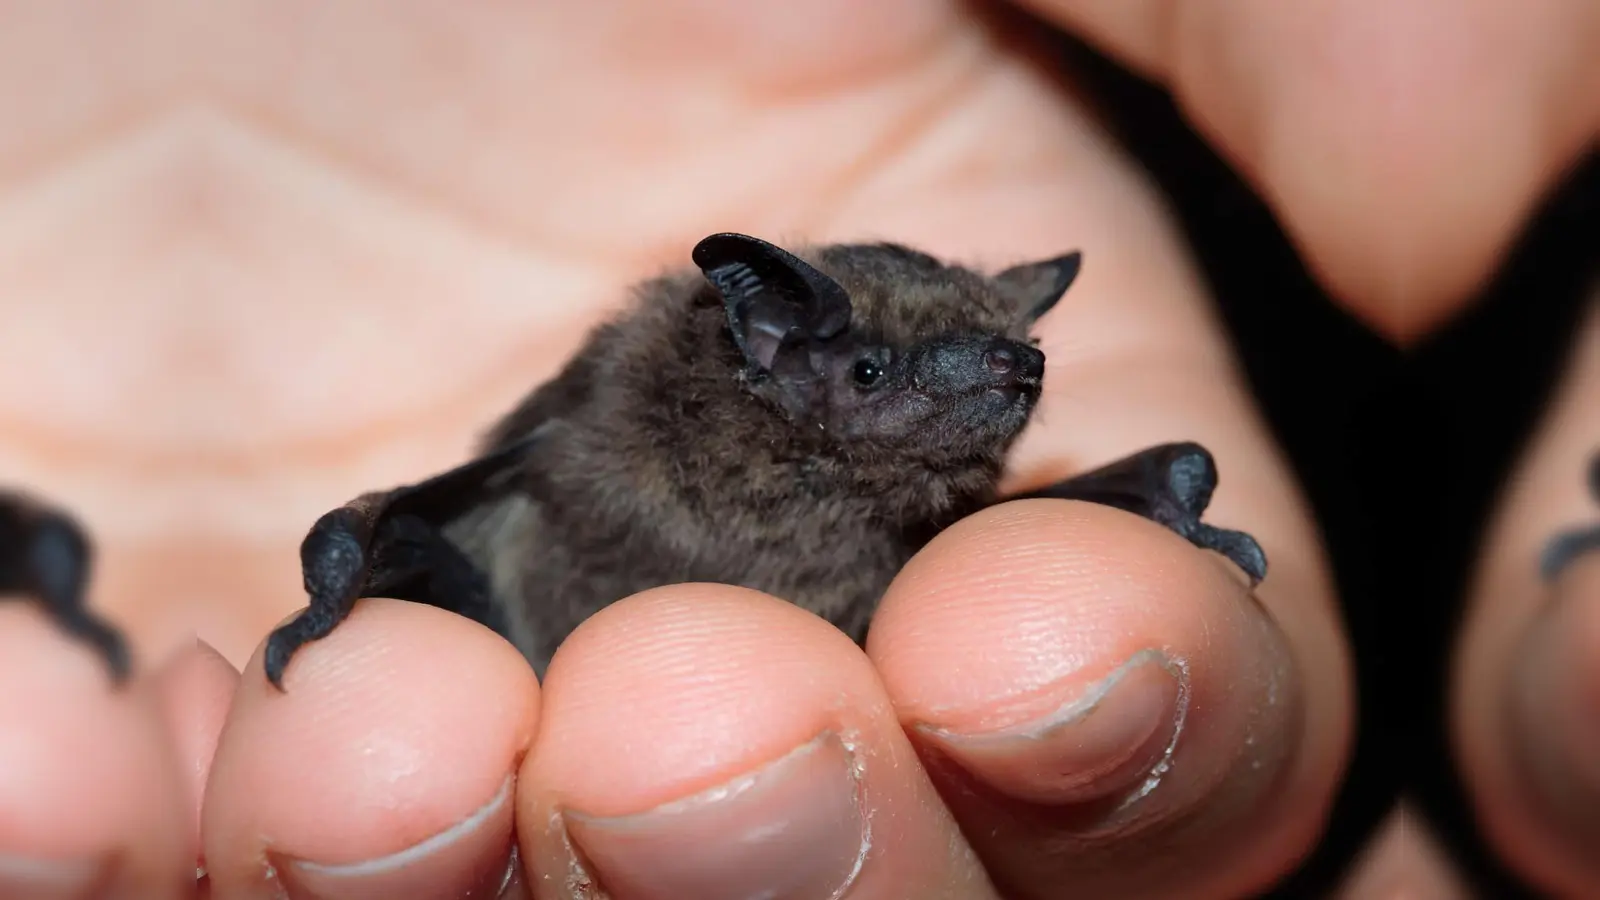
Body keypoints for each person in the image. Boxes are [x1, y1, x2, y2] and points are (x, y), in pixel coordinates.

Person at [0, 2, 1593, 896]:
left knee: (1032, 624)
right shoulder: (625, 430)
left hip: (843, 643)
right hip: (537, 615)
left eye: (1008, 359)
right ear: (772, 346)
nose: (1000, 382)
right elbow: (486, 490)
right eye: (878, 370)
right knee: (414, 733)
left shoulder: (936, 517)